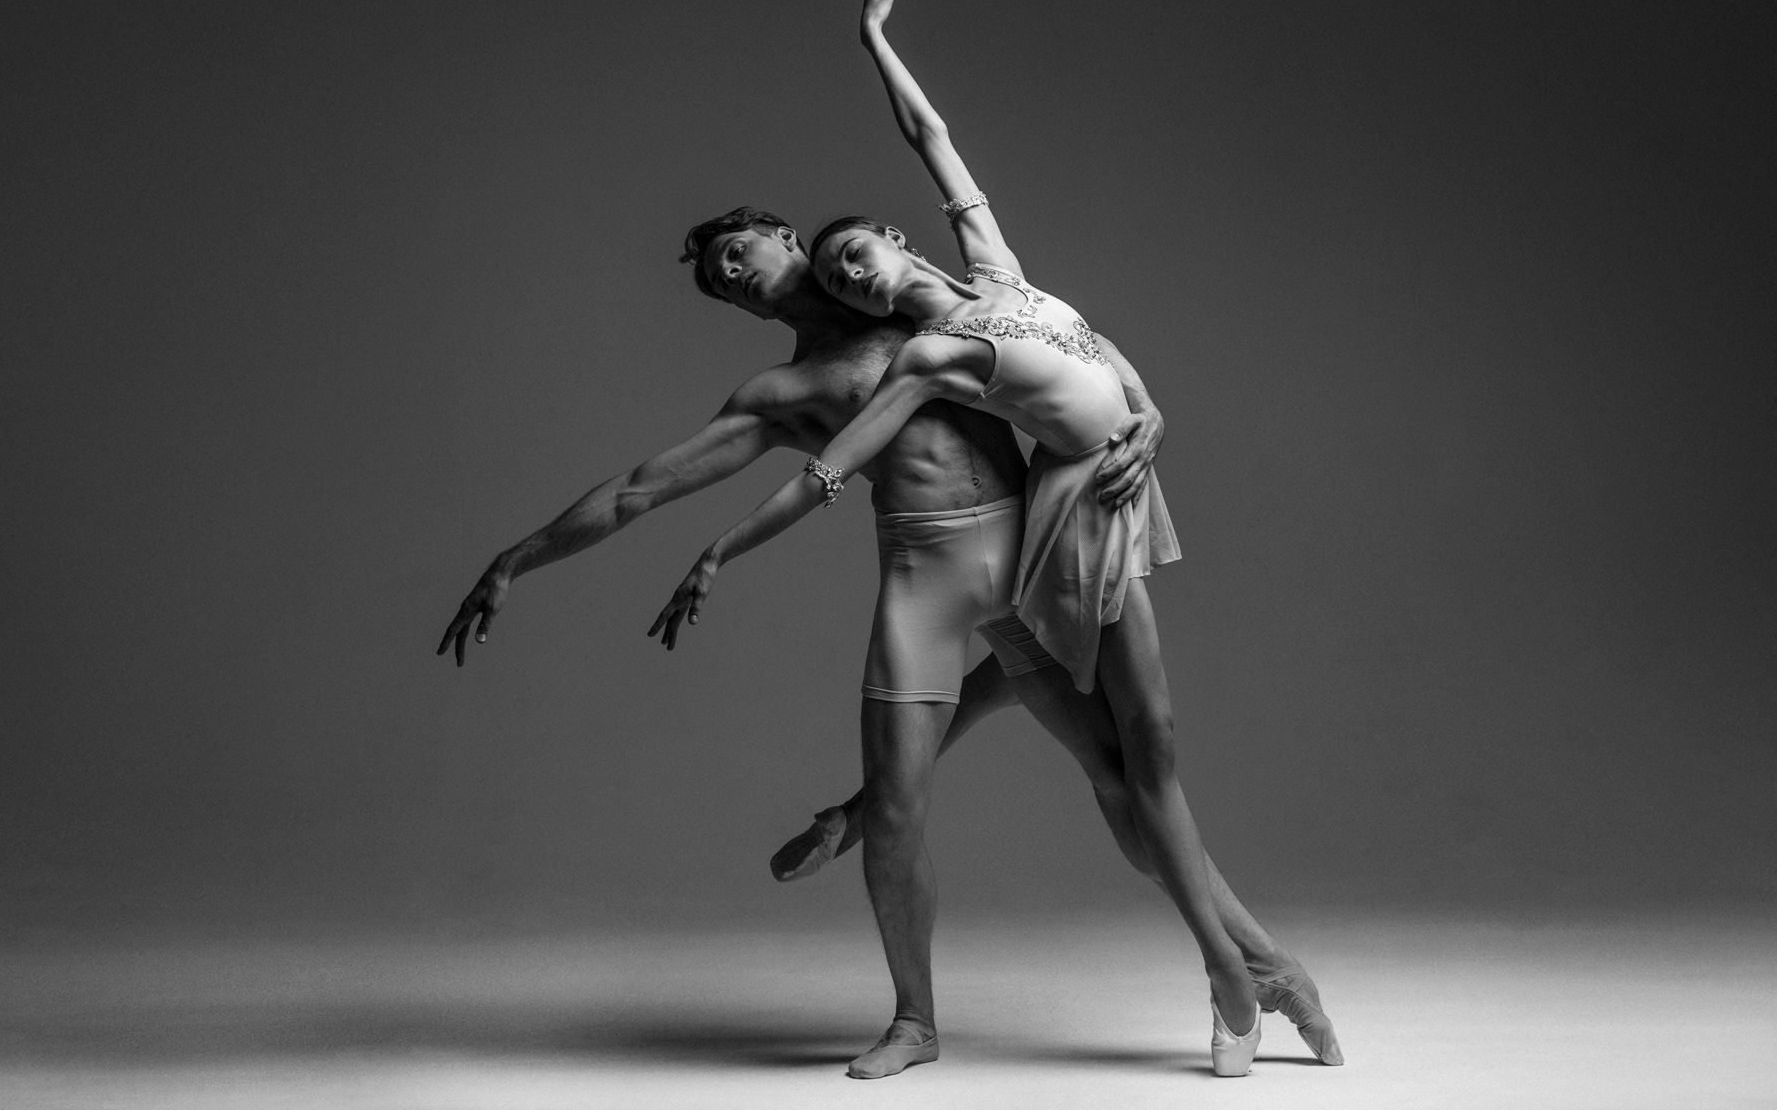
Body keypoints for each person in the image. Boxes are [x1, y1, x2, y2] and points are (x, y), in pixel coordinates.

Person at [439, 211, 1339, 1078]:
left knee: (1126, 791)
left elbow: (1064, 339)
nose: (732, 274)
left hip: (1027, 556)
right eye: (721, 282)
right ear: (745, 312)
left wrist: (1144, 412)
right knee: (904, 813)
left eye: (738, 253)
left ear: (787, 238)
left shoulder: (920, 300)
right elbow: (641, 488)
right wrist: (517, 558)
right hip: (923, 574)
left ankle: (1263, 966)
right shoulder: (781, 395)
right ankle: (914, 1017)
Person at [653, 0, 1319, 1077]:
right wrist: (721, 546)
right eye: (840, 277)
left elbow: (945, 153)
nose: (854, 277)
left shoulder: (995, 271)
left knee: (1138, 765)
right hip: (1059, 516)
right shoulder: (920, 357)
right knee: (1133, 772)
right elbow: (834, 470)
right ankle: (1237, 976)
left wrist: (875, 41)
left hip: (1117, 485)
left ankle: (1261, 975)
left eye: (855, 254)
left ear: (899, 243)